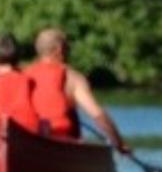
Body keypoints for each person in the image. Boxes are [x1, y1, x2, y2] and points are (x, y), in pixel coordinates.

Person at [27, 26, 128, 154]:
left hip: (30, 140)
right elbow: (98, 115)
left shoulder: (23, 76)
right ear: (59, 50)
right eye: (68, 48)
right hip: (61, 144)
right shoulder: (73, 78)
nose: (69, 52)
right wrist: (119, 143)